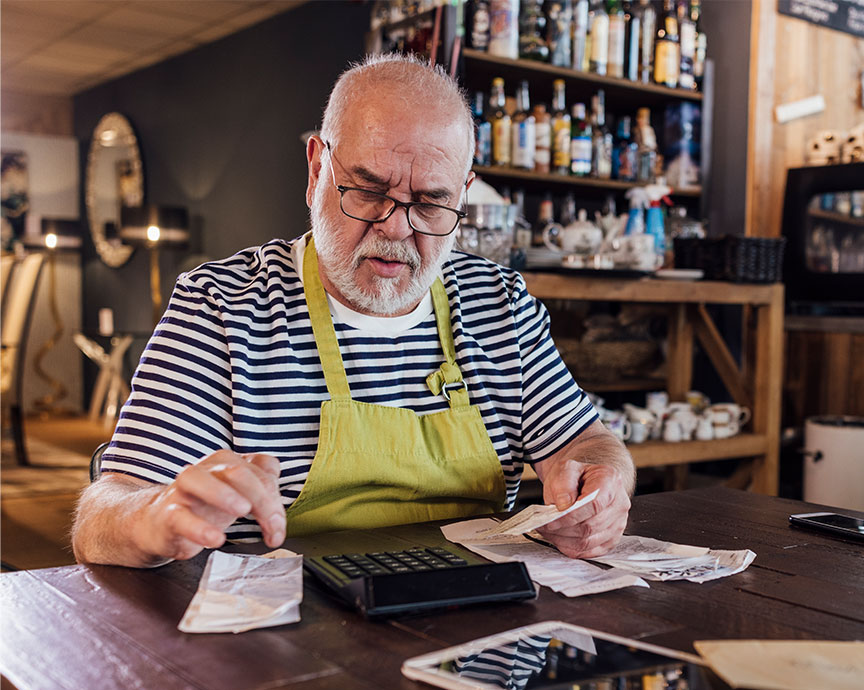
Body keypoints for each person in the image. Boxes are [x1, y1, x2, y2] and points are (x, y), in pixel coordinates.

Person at [71, 54, 634, 568]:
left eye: (432, 202)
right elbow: (102, 516)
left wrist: (603, 483)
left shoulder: (500, 305)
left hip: (473, 622)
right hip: (289, 645)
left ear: (463, 194)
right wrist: (155, 517)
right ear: (317, 169)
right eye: (367, 190)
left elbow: (588, 443)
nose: (395, 227)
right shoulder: (222, 305)